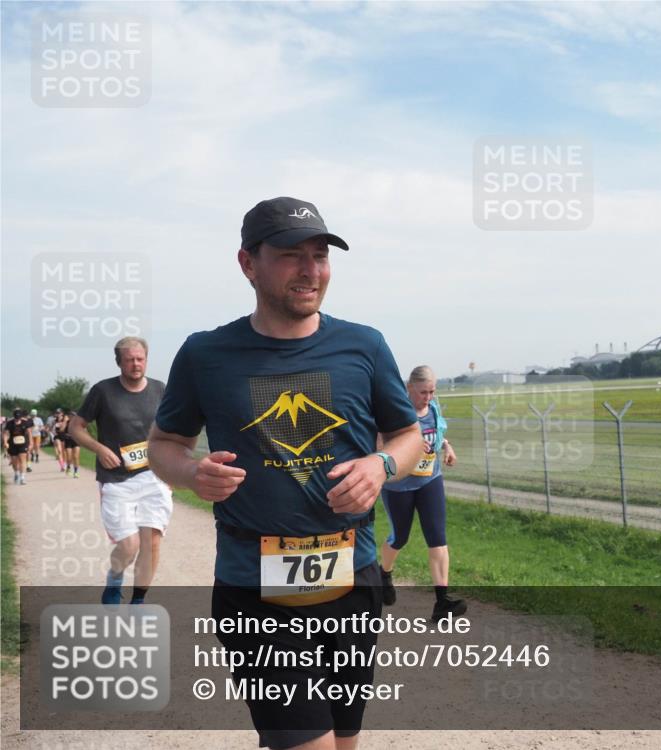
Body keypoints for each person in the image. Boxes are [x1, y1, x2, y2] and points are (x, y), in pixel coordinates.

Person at [148, 196, 423, 750]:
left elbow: (409, 435)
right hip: (255, 591)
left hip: (353, 578)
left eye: (320, 256)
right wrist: (192, 473)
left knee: (343, 740)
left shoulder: (364, 345)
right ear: (248, 263)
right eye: (291, 255)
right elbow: (163, 445)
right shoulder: (205, 354)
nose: (310, 270)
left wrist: (381, 464)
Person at [69, 337, 172, 605]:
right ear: (119, 362)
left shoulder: (160, 389)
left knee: (152, 543)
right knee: (129, 544)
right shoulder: (103, 391)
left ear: (146, 359)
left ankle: (138, 601)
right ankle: (115, 579)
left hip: (154, 477)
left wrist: (171, 468)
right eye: (129, 360)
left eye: (140, 359)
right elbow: (75, 428)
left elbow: (172, 430)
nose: (136, 364)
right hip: (117, 480)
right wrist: (99, 448)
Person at [379, 365, 465, 622]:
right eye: (423, 392)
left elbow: (438, 434)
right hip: (399, 485)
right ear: (409, 388)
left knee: (438, 539)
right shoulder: (396, 411)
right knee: (400, 537)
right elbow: (380, 445)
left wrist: (447, 447)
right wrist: (410, 448)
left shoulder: (434, 409)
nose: (428, 397)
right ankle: (384, 574)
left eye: (432, 392)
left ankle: (442, 602)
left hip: (430, 480)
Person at [3, 408, 32, 484]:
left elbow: (29, 433)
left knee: (23, 460)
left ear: (21, 417)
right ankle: (16, 473)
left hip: (23, 443)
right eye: (16, 418)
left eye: (18, 418)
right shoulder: (9, 423)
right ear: (14, 416)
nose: (17, 420)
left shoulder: (25, 423)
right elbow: (6, 433)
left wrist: (31, 443)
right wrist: (5, 442)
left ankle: (22, 478)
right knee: (14, 461)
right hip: (12, 444)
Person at [58, 410, 80, 477]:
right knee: (69, 457)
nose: (72, 417)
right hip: (68, 441)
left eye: (73, 416)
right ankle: (68, 467)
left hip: (76, 441)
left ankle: (76, 471)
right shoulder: (66, 422)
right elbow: (61, 430)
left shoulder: (77, 423)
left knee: (76, 456)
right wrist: (65, 421)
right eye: (70, 416)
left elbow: (83, 431)